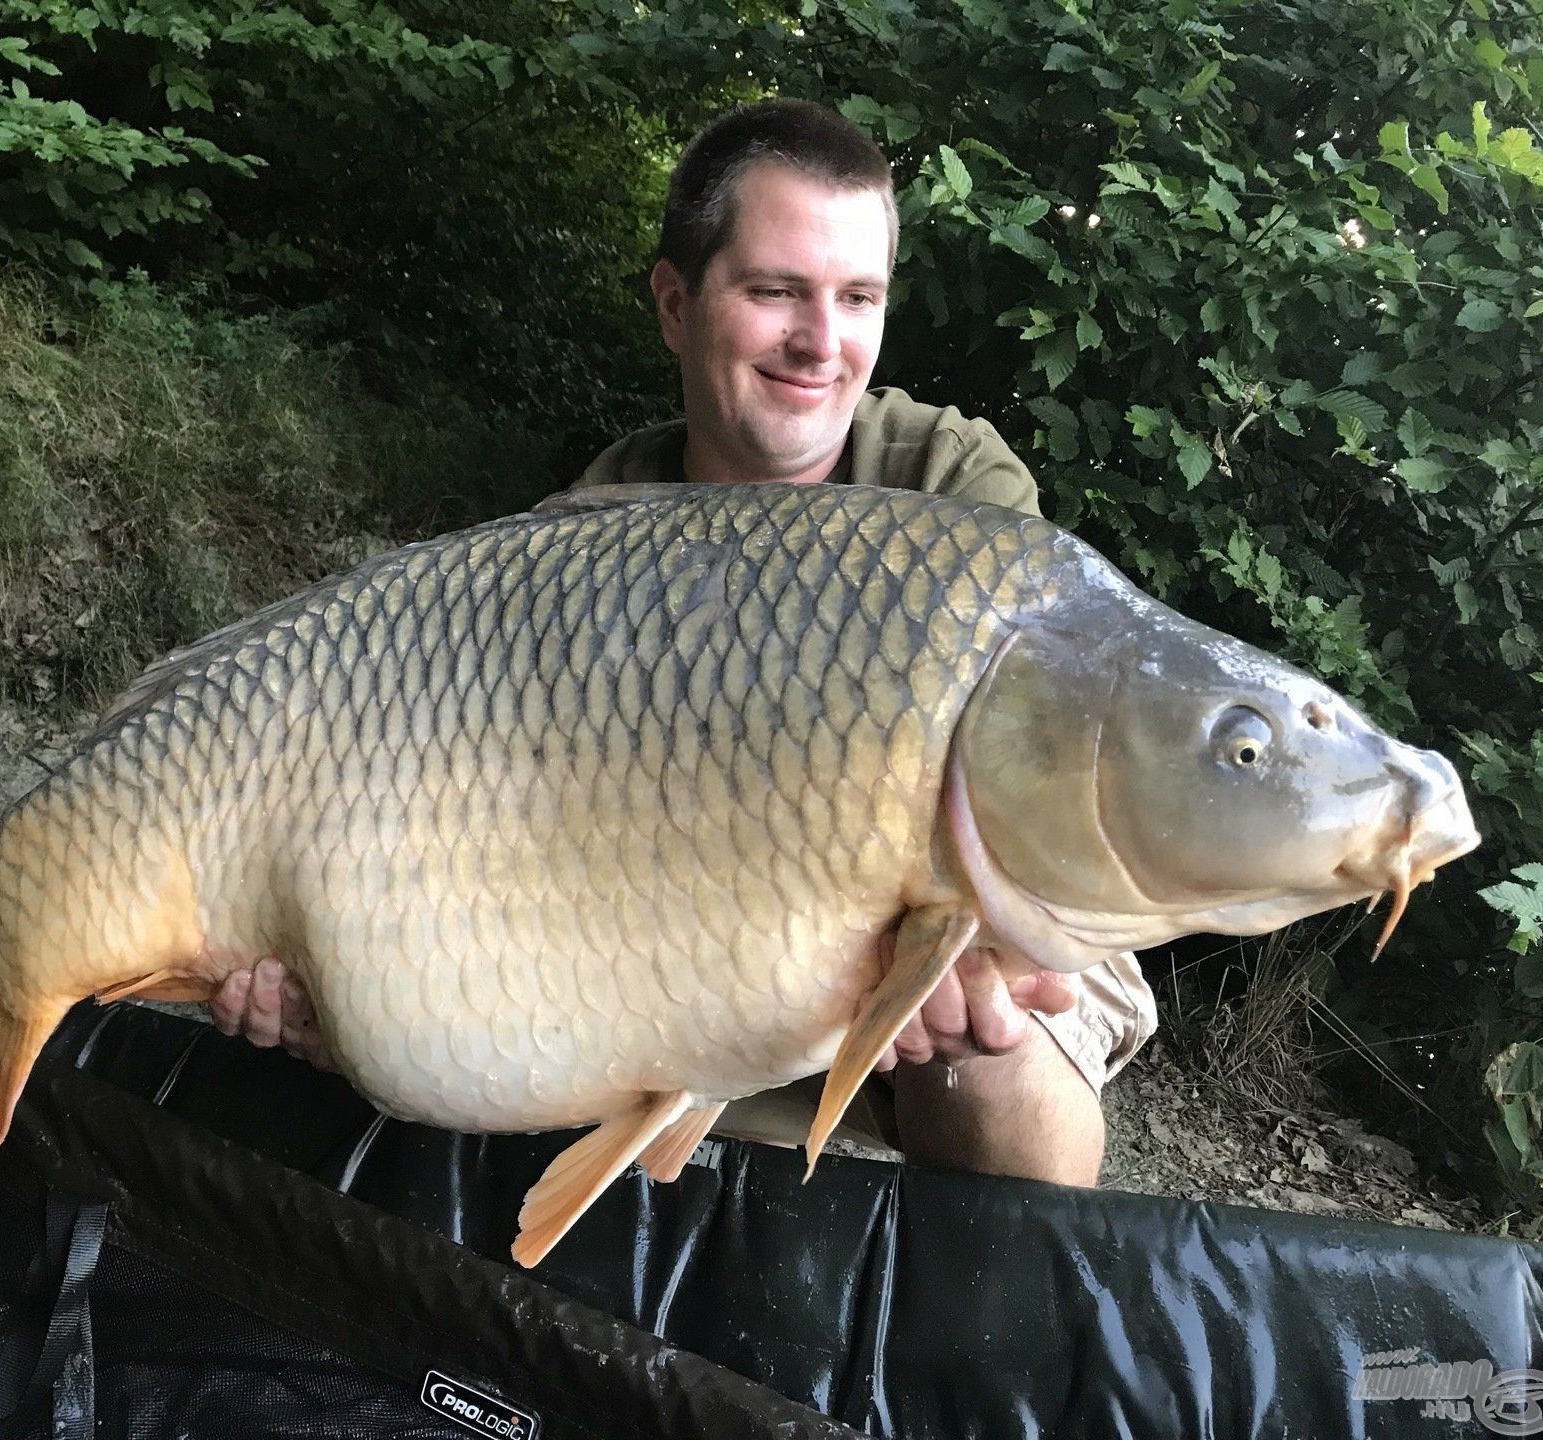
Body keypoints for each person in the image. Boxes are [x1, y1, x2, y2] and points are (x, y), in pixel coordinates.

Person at [209, 98, 1156, 1187]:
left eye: (858, 299)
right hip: (660, 960)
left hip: (917, 921)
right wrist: (347, 996)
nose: (821, 342)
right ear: (675, 303)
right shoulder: (585, 535)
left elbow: (1030, 775)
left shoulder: (951, 491)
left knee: (998, 1014)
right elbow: (496, 874)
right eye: (775, 293)